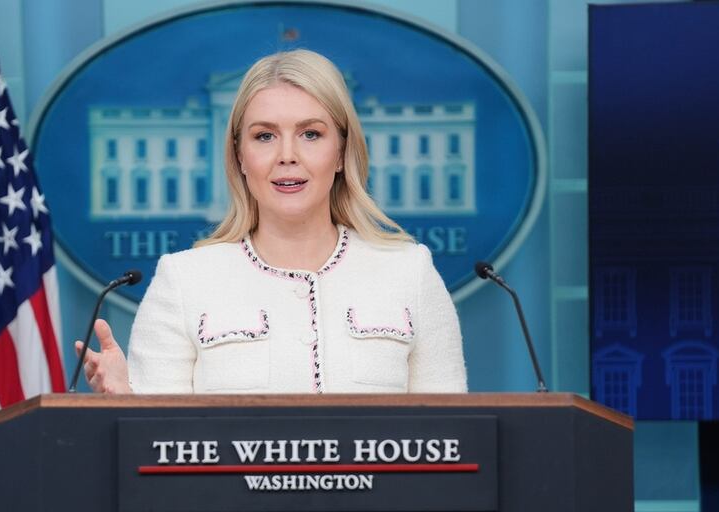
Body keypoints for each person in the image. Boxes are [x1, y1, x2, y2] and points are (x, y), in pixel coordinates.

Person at [76, 49, 467, 395]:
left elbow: (453, 437)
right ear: (240, 156)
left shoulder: (410, 272)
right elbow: (159, 444)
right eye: (264, 136)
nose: (287, 155)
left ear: (341, 152)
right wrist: (128, 403)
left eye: (311, 134)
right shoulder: (183, 281)